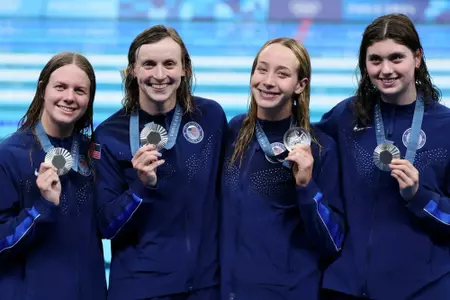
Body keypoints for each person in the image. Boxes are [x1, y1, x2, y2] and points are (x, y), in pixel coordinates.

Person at [317, 14, 450, 300]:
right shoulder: (345, 116)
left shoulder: (445, 127)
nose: (385, 70)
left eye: (396, 58)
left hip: (423, 289)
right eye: (375, 60)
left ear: (417, 58)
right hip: (348, 287)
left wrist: (419, 196)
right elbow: (300, 141)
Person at [92, 25, 227, 300]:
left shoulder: (210, 117)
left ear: (184, 69)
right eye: (149, 64)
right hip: (140, 288)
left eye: (169, 64)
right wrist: (140, 189)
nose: (159, 75)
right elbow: (106, 226)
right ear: (133, 70)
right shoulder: (109, 135)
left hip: (204, 287)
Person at [220, 37, 345, 300]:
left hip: (290, 292)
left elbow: (333, 241)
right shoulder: (234, 131)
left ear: (300, 85)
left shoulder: (320, 148)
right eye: (262, 69)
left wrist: (306, 187)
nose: (268, 81)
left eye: (282, 74)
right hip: (230, 291)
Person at [0, 52, 107, 299]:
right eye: (60, 87)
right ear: (42, 89)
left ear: (89, 98)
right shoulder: (10, 155)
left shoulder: (94, 155)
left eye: (79, 90)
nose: (69, 97)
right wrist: (42, 207)